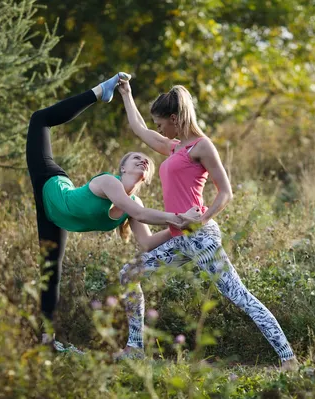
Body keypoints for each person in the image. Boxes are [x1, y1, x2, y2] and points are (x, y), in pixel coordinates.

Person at [115, 79, 298, 369]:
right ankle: (135, 347)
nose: (159, 130)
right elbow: (139, 129)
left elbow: (225, 192)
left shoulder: (201, 147)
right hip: (179, 240)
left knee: (239, 296)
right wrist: (126, 94)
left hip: (200, 238)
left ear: (174, 119)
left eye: (161, 124)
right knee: (129, 273)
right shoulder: (174, 148)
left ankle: (288, 359)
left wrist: (201, 218)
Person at [26, 72, 201, 352]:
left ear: (147, 177)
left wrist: (180, 229)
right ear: (122, 168)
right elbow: (140, 212)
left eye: (146, 160)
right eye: (135, 158)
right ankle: (98, 92)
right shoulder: (110, 182)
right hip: (50, 184)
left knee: (51, 272)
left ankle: (47, 342)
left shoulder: (135, 207)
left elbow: (146, 242)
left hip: (56, 217)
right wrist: (178, 218)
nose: (143, 158)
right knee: (39, 119)